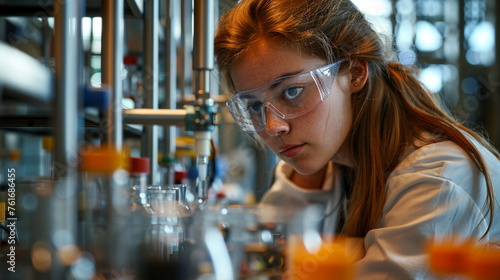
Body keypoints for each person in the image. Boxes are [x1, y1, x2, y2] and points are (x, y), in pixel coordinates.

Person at [214, 0, 500, 278]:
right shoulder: (328, 160)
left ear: (355, 72)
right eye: (253, 106)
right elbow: (273, 262)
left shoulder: (436, 178)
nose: (274, 126)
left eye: (292, 91)